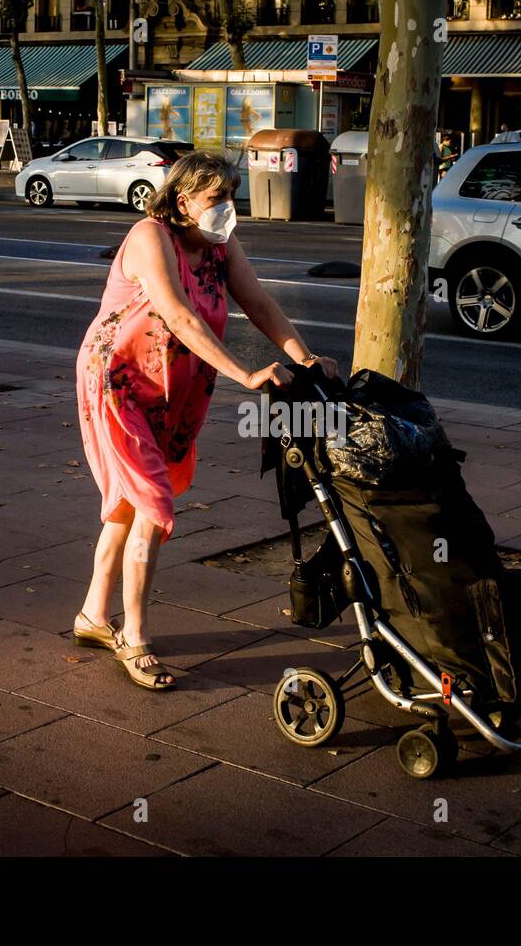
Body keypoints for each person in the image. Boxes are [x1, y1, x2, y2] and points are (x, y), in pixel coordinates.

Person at [72, 152, 340, 691]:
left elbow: (259, 304)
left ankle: (92, 616)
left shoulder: (220, 245)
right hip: (119, 382)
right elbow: (177, 313)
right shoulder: (151, 237)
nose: (227, 210)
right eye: (216, 199)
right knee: (152, 502)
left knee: (131, 501)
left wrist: (305, 357)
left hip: (175, 390)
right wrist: (245, 374)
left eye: (230, 197)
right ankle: (136, 637)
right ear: (181, 200)